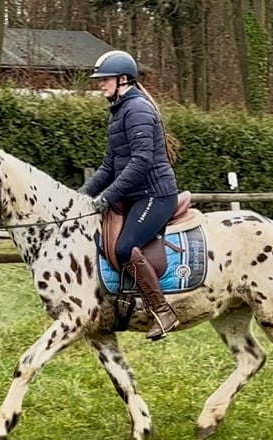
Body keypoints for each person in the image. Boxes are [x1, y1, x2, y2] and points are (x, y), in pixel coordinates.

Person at [79, 50, 180, 340]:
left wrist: (107, 197)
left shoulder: (137, 110)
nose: (101, 85)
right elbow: (109, 165)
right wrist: (81, 197)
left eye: (105, 80)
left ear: (123, 80)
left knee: (125, 248)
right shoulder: (119, 112)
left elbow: (141, 162)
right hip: (136, 196)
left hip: (155, 196)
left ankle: (162, 311)